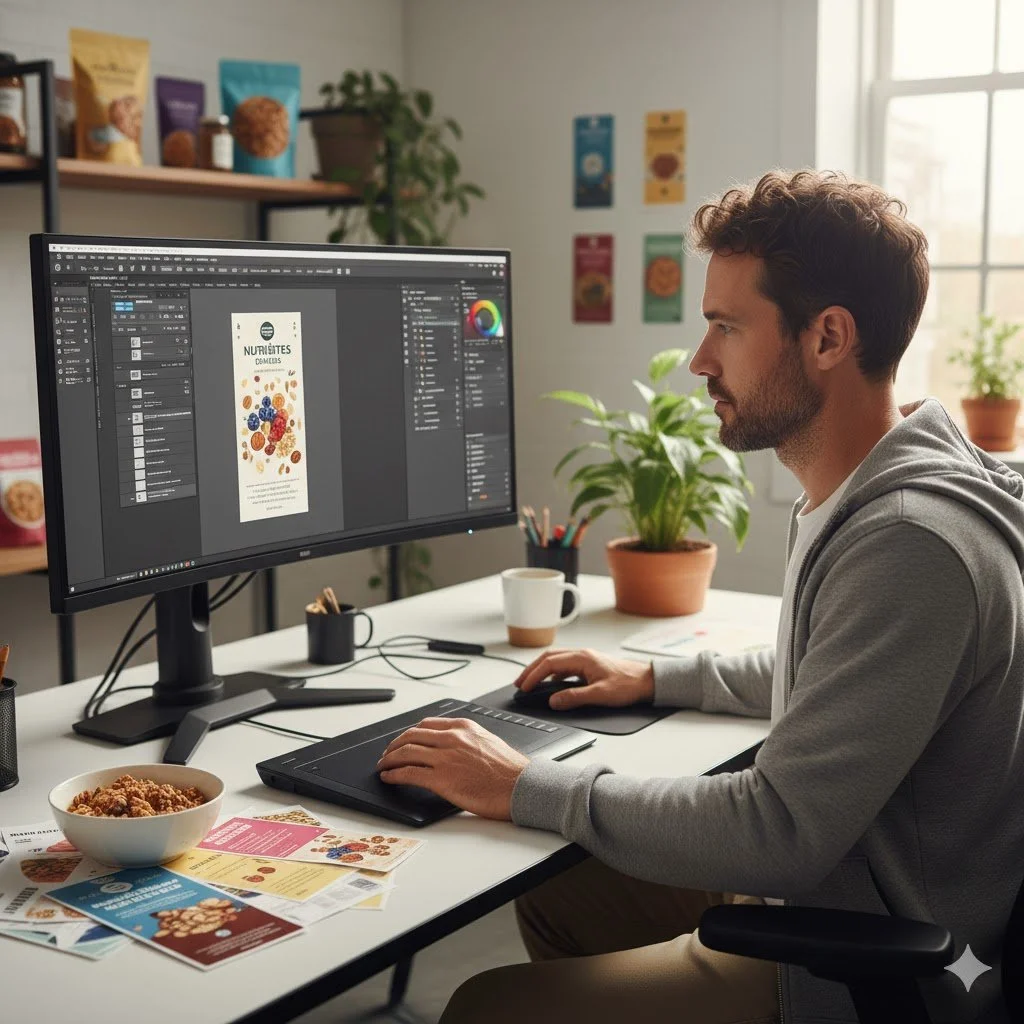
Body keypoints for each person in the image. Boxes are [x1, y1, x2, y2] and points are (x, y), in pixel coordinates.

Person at [376, 169, 1024, 1024]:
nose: (699, 360)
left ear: (828, 336)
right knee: (564, 896)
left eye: (726, 326)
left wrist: (523, 782)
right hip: (839, 894)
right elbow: (839, 677)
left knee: (485, 1007)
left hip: (866, 965)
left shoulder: (907, 542)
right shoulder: (889, 482)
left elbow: (781, 829)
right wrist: (656, 680)